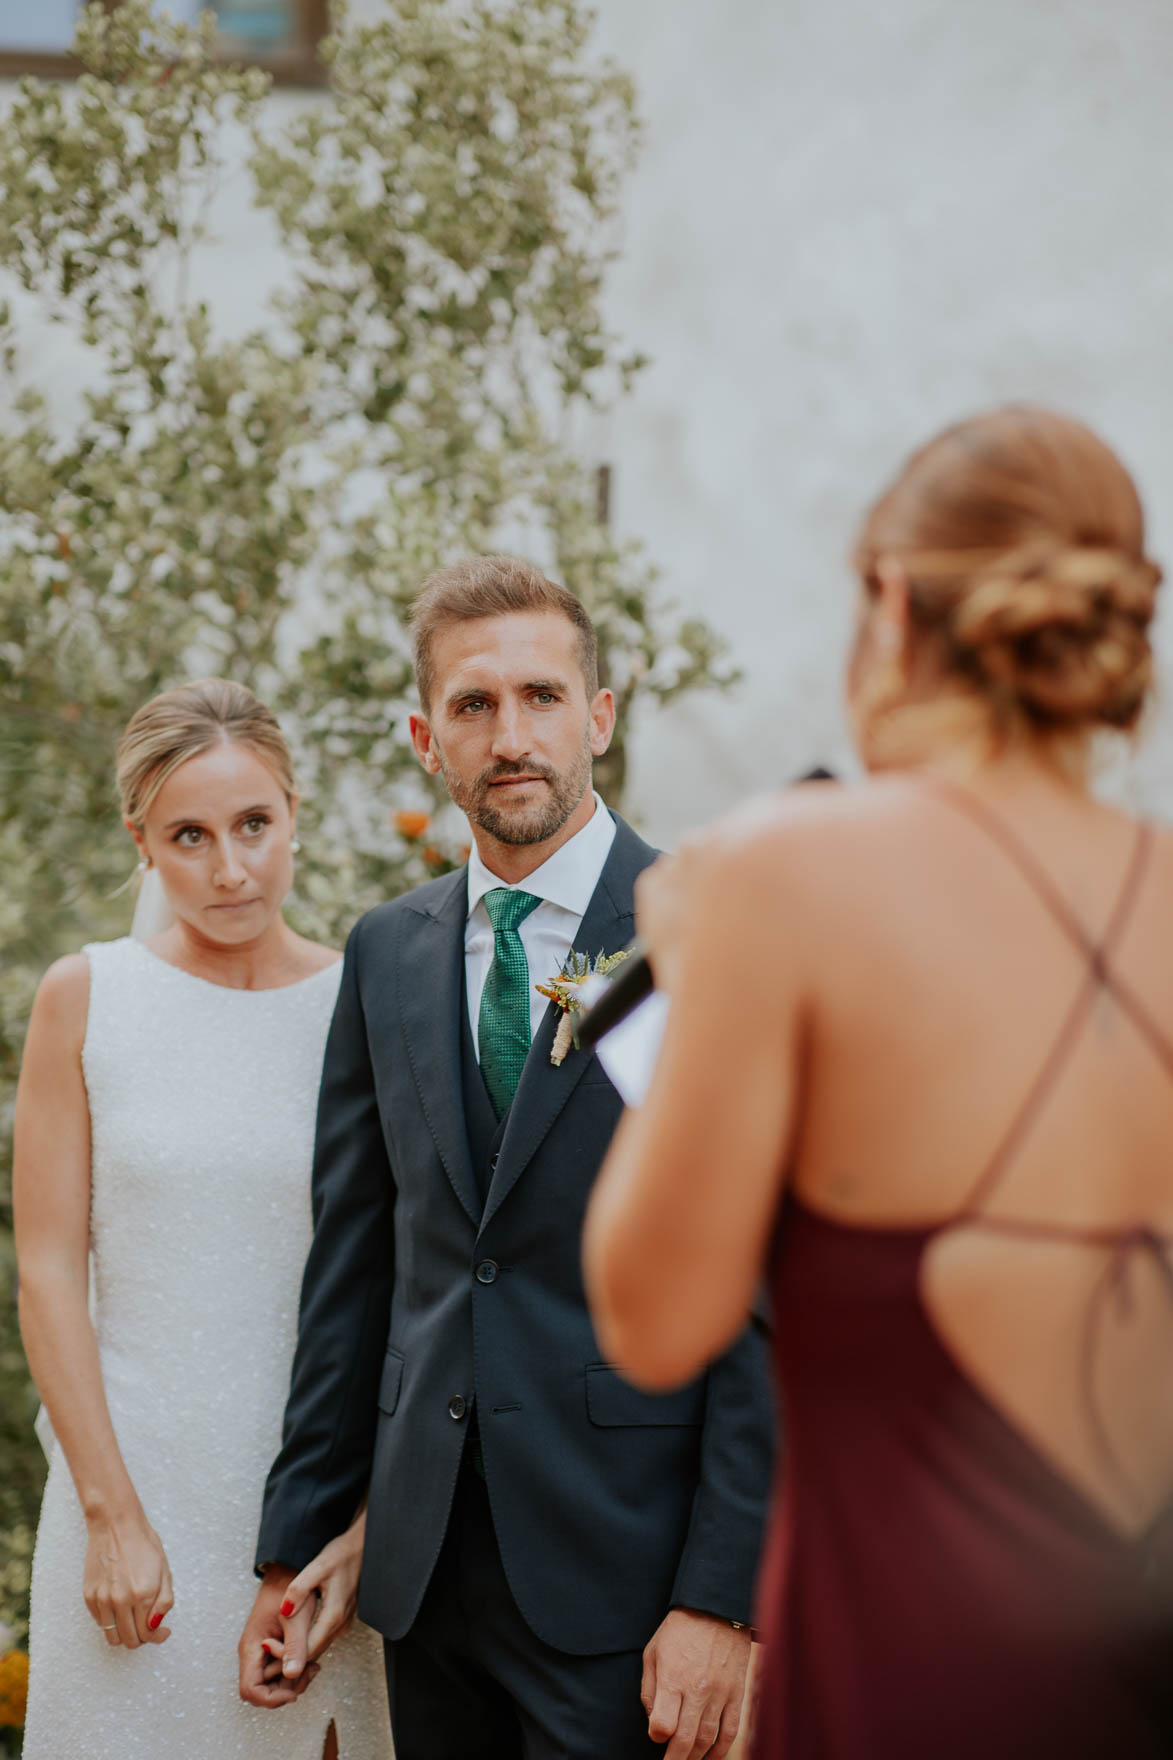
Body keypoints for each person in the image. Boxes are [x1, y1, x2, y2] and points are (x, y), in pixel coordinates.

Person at [583, 407, 1173, 1760]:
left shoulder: (784, 875)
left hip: (892, 1691)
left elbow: (653, 1319)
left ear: (891, 604)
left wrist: (698, 955)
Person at [242, 557, 775, 1760]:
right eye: (474, 706)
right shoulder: (388, 952)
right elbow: (359, 1262)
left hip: (629, 1578)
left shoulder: (699, 932)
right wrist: (295, 1544)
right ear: (429, 738)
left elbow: (760, 1287)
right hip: (426, 1579)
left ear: (599, 717)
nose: (511, 734)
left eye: (541, 695)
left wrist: (722, 1594)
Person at [14, 679, 392, 1760]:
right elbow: (45, 1272)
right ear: (142, 839)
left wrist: (360, 1526)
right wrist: (110, 1516)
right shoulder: (85, 997)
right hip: (132, 1494)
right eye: (190, 834)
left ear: (294, 811)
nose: (231, 868)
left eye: (254, 824)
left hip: (312, 1512)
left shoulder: (364, 1002)